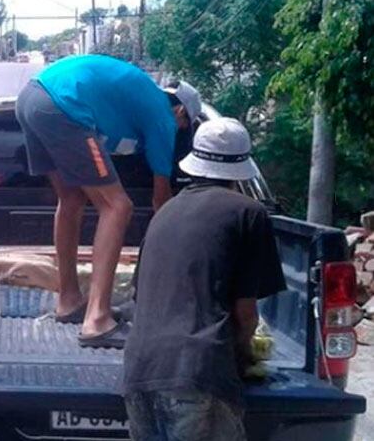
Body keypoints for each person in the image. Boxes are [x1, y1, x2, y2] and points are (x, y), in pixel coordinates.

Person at [15, 54, 201, 348]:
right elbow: (160, 198)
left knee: (71, 197)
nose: (180, 131)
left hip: (30, 99)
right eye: (184, 126)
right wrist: (174, 244)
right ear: (180, 112)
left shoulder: (138, 100)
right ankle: (97, 319)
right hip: (62, 105)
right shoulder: (164, 115)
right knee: (118, 206)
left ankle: (69, 300)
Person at [122, 118, 286, 441]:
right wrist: (243, 359)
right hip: (196, 373)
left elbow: (140, 298)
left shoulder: (166, 211)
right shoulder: (248, 213)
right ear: (241, 169)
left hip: (139, 371)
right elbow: (246, 315)